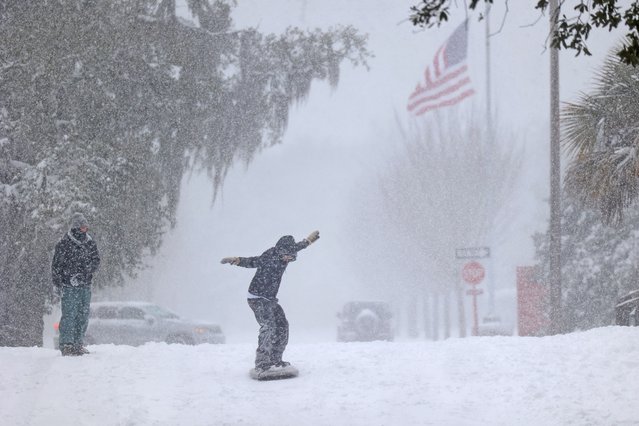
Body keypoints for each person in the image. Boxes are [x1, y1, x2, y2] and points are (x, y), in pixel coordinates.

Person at [221, 231, 320, 373]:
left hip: (271, 300)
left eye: (291, 257)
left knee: (282, 325)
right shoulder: (269, 256)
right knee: (268, 326)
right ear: (280, 251)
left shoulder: (287, 254)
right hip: (257, 298)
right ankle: (262, 363)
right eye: (286, 255)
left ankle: (275, 359)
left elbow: (298, 246)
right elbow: (252, 261)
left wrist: (308, 242)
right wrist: (236, 260)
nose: (287, 259)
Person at [51, 212, 101, 356]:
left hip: (85, 285)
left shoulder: (90, 243)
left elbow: (96, 261)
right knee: (69, 315)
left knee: (83, 315)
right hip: (69, 286)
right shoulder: (64, 243)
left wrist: (86, 271)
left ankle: (78, 343)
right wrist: (61, 282)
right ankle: (67, 344)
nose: (85, 230)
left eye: (86, 228)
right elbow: (56, 266)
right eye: (83, 227)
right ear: (76, 228)